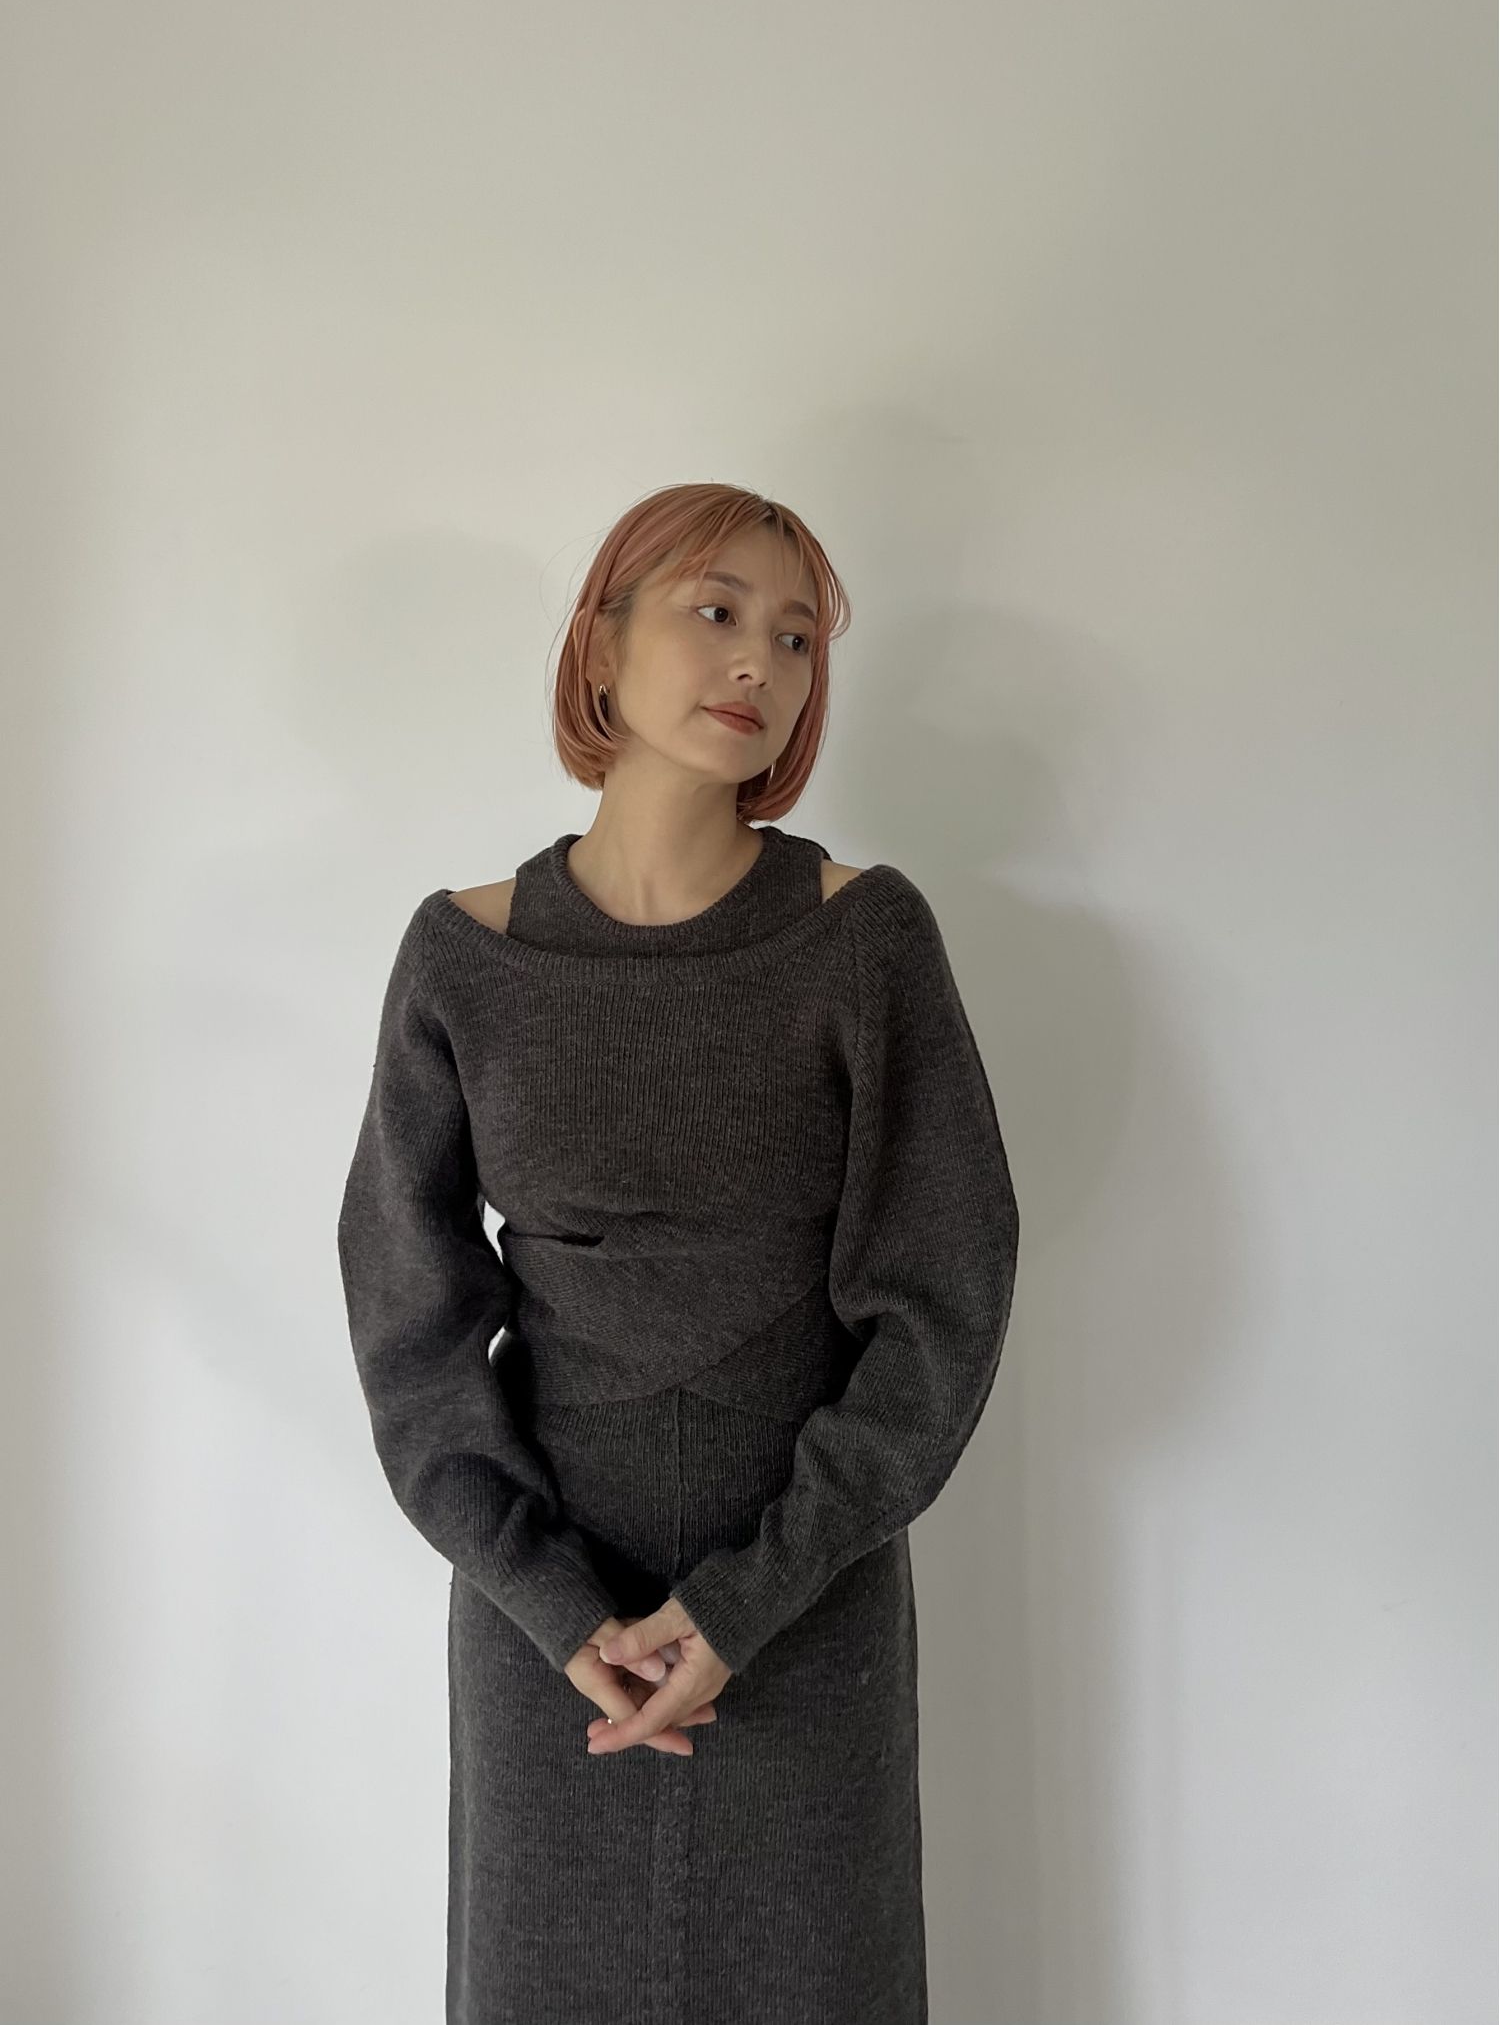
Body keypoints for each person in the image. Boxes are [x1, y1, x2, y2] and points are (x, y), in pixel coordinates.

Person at [337, 480, 1021, 2024]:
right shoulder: (463, 956)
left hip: (809, 1607)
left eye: (798, 636)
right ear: (601, 645)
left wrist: (751, 1600)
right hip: (549, 1637)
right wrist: (551, 1603)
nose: (760, 662)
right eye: (717, 611)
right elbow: (409, 1321)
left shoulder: (863, 937)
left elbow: (941, 1304)